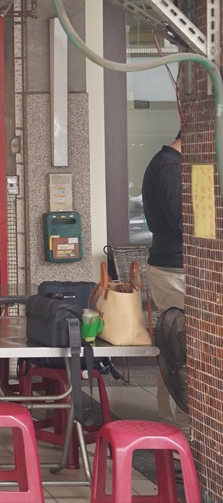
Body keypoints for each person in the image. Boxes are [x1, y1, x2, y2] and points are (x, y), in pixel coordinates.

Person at [141, 131, 189, 431]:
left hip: (174, 267)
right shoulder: (170, 167)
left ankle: (175, 424)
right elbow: (183, 221)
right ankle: (179, 427)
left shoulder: (167, 163)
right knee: (181, 349)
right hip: (174, 271)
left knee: (175, 347)